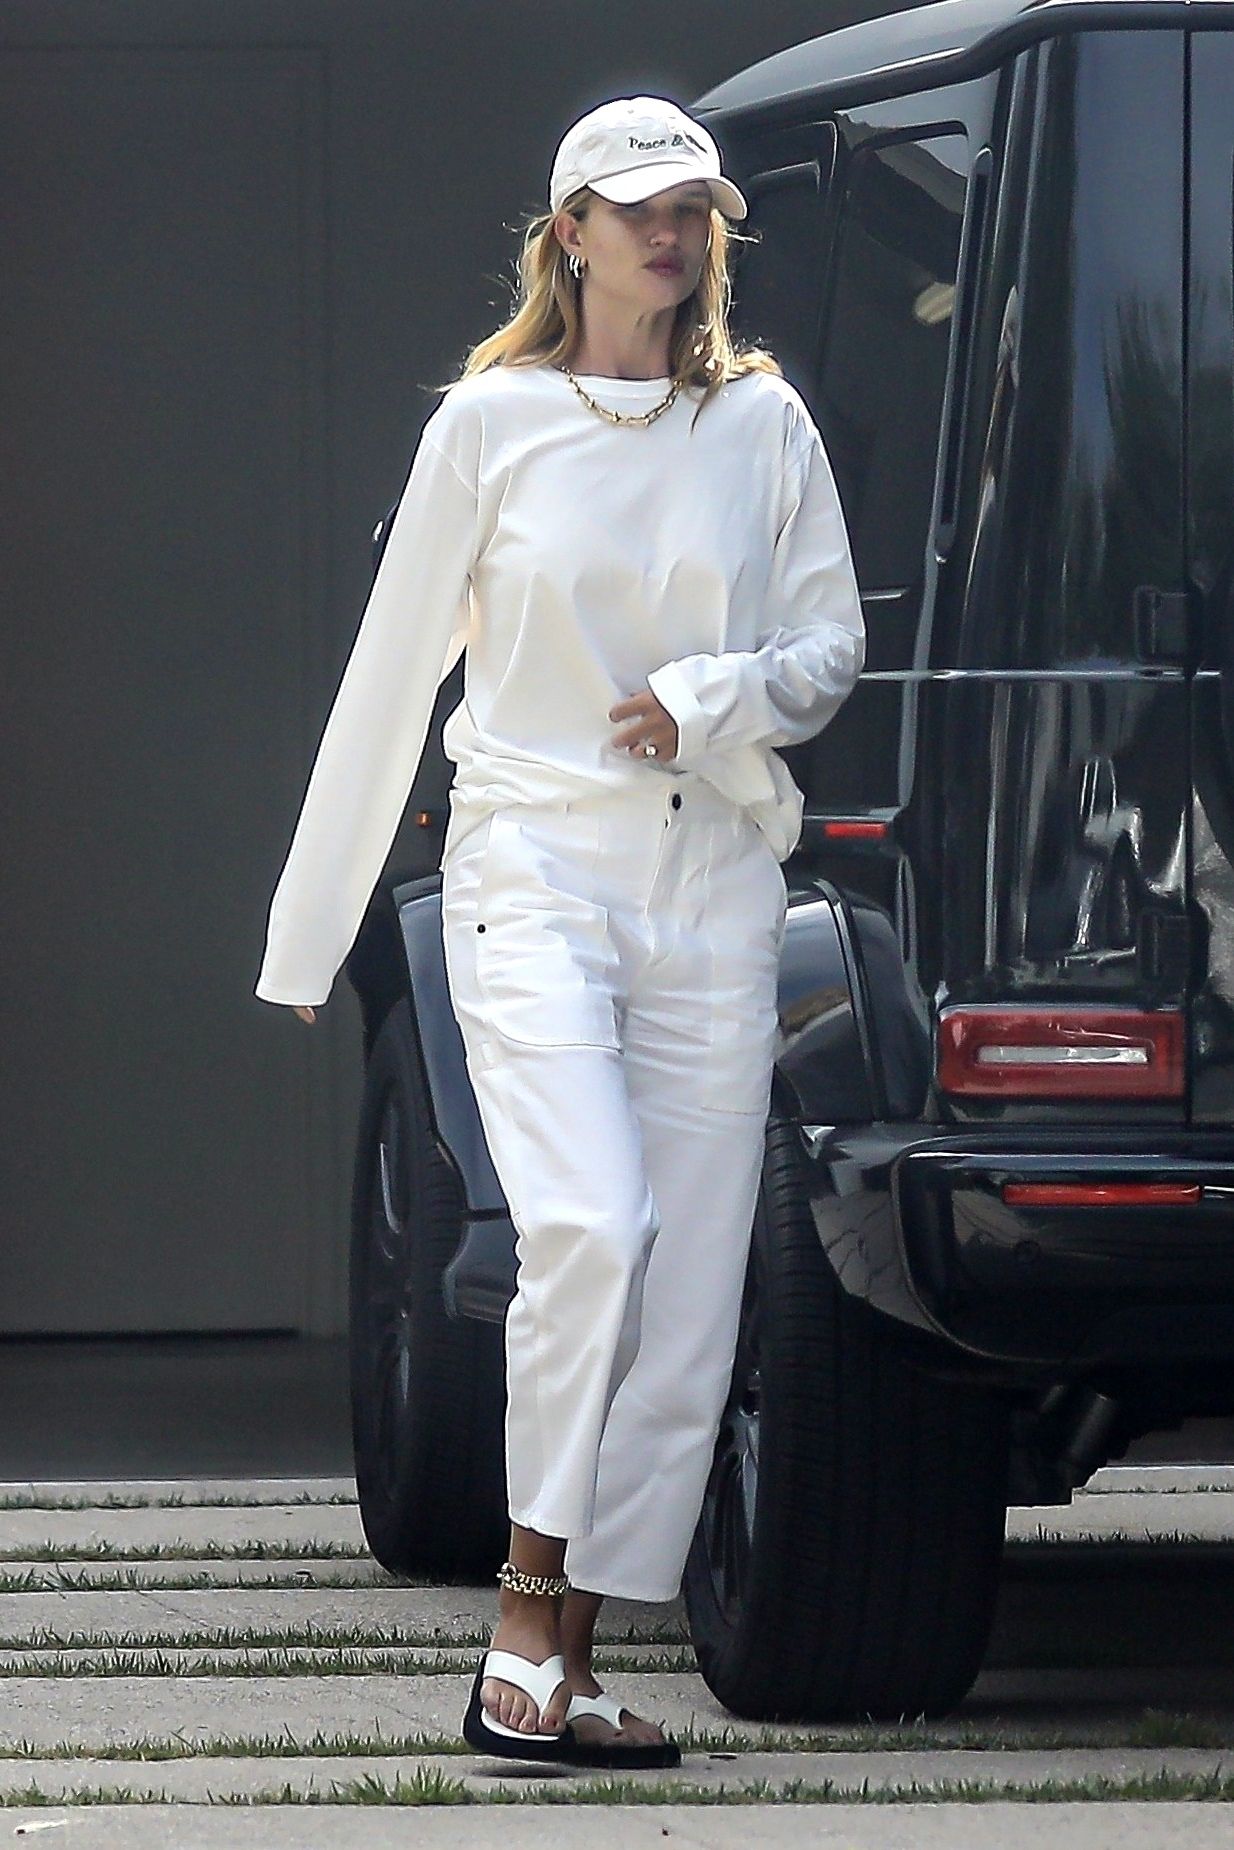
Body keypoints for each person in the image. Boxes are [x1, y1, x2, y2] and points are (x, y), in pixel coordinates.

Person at [254, 93, 865, 1768]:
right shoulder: (489, 422)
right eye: (637, 206)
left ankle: (561, 1663)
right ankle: (522, 1616)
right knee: (590, 1223)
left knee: (689, 1290)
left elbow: (828, 647)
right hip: (529, 864)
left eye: (694, 209)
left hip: (711, 883)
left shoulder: (762, 424)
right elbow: (392, 674)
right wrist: (312, 931)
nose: (671, 231)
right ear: (568, 233)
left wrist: (705, 698)